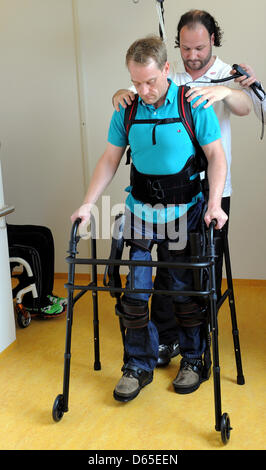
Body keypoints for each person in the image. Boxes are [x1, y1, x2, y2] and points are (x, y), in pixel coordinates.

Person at [71, 35, 228, 401]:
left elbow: (216, 156)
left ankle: (193, 358)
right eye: (136, 81)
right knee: (136, 294)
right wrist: (87, 203)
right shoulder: (126, 110)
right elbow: (110, 159)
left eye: (150, 81)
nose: (143, 90)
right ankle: (138, 365)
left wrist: (215, 204)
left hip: (184, 213)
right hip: (140, 214)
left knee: (182, 290)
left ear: (167, 69)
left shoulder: (193, 105)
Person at [112, 10, 256, 367]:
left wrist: (225, 90)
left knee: (200, 270)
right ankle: (167, 340)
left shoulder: (226, 72)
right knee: (166, 271)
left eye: (200, 48)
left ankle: (199, 345)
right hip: (169, 194)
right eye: (186, 48)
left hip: (213, 191)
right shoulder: (167, 74)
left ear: (212, 41)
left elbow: (245, 107)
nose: (192, 55)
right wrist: (120, 92)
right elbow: (137, 92)